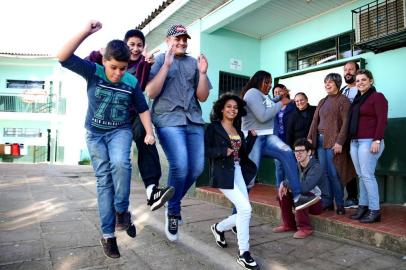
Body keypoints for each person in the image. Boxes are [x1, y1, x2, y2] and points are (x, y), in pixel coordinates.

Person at [57, 20, 156, 259]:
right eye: (113, 67)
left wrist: (150, 133)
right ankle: (108, 235)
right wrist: (85, 31)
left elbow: (142, 109)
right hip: (95, 134)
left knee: (121, 164)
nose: (118, 73)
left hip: (120, 131)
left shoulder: (131, 82)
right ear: (104, 62)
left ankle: (122, 211)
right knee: (104, 182)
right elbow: (62, 57)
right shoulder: (93, 71)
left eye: (122, 68)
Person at [86, 29, 174, 213]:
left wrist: (146, 64)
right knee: (115, 164)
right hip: (111, 118)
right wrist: (99, 53)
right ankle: (116, 204)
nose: (135, 49)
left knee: (146, 137)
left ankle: (152, 190)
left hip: (133, 114)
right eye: (131, 44)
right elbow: (87, 63)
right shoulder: (111, 59)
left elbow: (138, 88)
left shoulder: (143, 62)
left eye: (139, 45)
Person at [145, 24, 211, 241]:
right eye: (177, 38)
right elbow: (151, 93)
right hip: (167, 119)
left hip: (192, 120)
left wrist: (202, 73)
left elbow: (202, 97)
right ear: (168, 41)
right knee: (180, 166)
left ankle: (169, 202)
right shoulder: (158, 60)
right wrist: (166, 65)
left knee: (197, 168)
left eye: (185, 39)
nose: (182, 42)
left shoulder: (194, 63)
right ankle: (173, 212)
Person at [241, 70, 320, 211]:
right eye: (267, 82)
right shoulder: (252, 93)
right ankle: (237, 215)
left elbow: (271, 103)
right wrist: (281, 102)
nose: (270, 86)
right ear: (258, 81)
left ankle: (297, 197)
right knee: (249, 180)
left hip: (266, 137)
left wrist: (280, 98)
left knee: (287, 152)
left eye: (271, 82)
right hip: (254, 139)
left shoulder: (262, 96)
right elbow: (263, 116)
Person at [205, 93, 259, 270]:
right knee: (246, 209)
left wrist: (251, 138)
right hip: (222, 172)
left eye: (235, 107)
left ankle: (219, 228)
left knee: (245, 211)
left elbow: (242, 154)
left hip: (238, 171)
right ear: (221, 109)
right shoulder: (213, 127)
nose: (232, 110)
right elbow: (206, 150)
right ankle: (244, 253)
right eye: (229, 106)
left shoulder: (238, 130)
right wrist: (223, 151)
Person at [307, 73, 356, 215]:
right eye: (325, 82)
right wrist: (310, 138)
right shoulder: (323, 101)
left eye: (330, 82)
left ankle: (339, 204)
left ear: (337, 83)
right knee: (325, 173)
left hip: (333, 142)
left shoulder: (344, 100)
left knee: (335, 173)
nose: (327, 84)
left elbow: (346, 123)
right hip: (320, 140)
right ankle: (327, 202)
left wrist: (340, 142)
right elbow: (315, 120)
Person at [348, 69, 388, 223]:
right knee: (361, 176)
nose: (360, 83)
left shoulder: (377, 97)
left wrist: (377, 140)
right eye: (357, 80)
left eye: (363, 80)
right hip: (355, 141)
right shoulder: (358, 100)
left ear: (371, 81)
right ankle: (363, 206)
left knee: (367, 176)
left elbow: (382, 119)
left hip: (369, 140)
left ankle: (375, 210)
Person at [273, 138, 323, 239]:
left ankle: (305, 228)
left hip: (317, 203)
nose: (298, 154)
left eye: (301, 151)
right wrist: (285, 185)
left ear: (309, 152)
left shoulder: (316, 167)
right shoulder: (296, 165)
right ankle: (289, 224)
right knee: (284, 192)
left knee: (300, 194)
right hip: (305, 202)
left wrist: (285, 183)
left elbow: (305, 188)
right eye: (296, 151)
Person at [341, 61, 360, 209]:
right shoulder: (342, 90)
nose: (348, 72)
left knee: (359, 168)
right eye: (345, 70)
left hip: (358, 135)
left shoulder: (362, 89)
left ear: (357, 71)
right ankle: (351, 196)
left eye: (351, 69)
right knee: (346, 166)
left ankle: (357, 198)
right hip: (343, 135)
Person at [272, 84, 295, 187]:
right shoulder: (272, 106)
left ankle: (289, 192)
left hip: (290, 139)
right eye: (275, 92)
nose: (277, 94)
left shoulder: (293, 104)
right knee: (279, 167)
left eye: (279, 92)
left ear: (285, 92)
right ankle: (279, 191)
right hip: (277, 140)